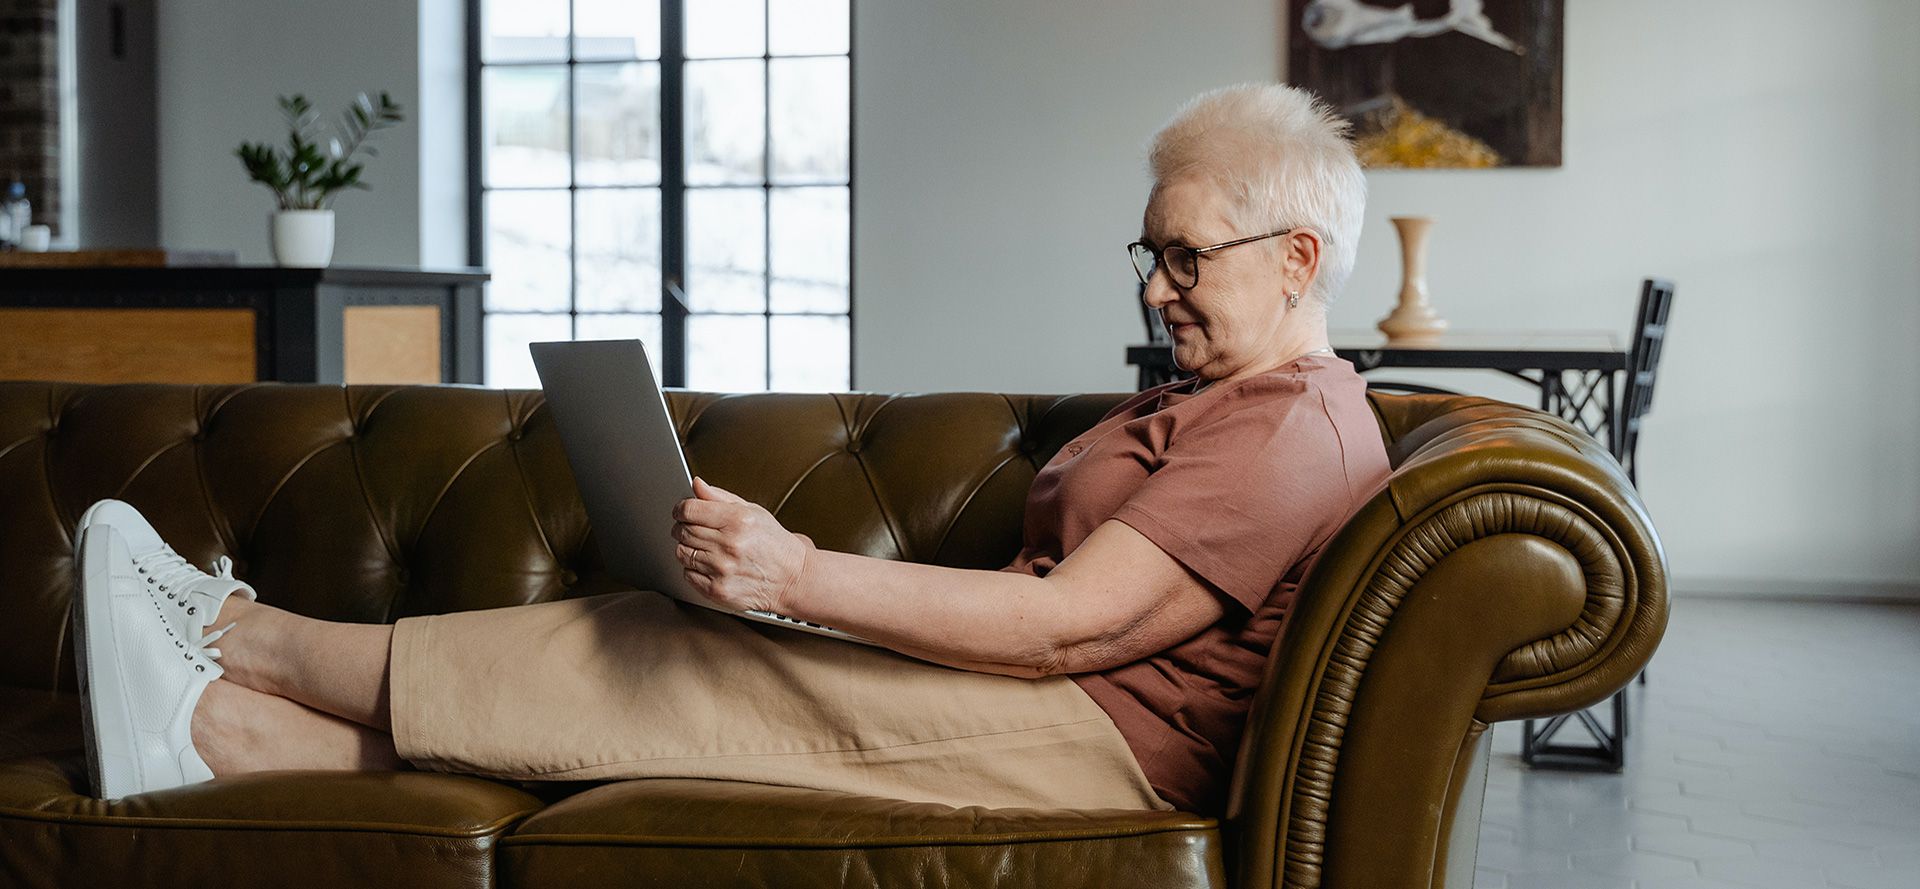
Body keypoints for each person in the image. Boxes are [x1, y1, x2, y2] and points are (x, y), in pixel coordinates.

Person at [67, 83, 1389, 815]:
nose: (1157, 285)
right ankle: (211, 731)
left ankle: (237, 635)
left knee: (659, 646)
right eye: (1148, 253)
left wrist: (795, 574)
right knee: (671, 662)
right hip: (1045, 705)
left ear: (1298, 258)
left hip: (1087, 740)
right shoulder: (1212, 401)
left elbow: (1071, 631)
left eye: (1184, 256)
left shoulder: (1293, 426)